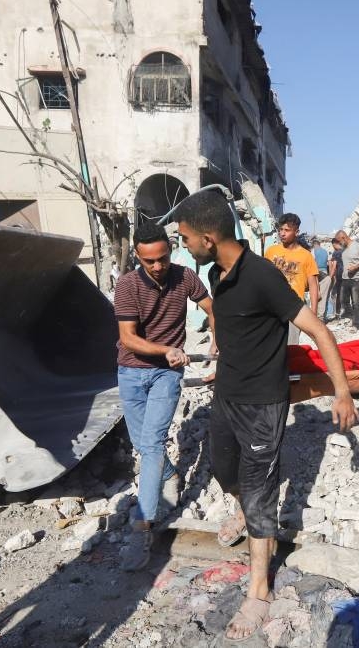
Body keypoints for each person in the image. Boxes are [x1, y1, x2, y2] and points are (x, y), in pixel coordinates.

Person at [173, 190, 359, 642]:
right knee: (223, 470)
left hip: (263, 405)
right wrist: (222, 356)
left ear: (210, 236)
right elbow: (231, 323)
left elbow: (317, 329)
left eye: (186, 238)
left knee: (259, 493)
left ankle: (259, 591)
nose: (184, 246)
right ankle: (248, 513)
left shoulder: (263, 277)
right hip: (227, 396)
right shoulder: (218, 273)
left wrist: (341, 393)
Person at [114, 224, 214, 571]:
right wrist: (166, 349)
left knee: (153, 444)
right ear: (138, 258)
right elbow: (128, 338)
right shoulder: (127, 285)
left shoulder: (185, 276)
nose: (158, 266)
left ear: (171, 252)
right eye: (150, 261)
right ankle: (170, 476)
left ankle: (141, 530)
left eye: (163, 258)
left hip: (166, 375)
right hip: (130, 372)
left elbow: (211, 307)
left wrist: (218, 337)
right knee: (143, 445)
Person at [265, 213, 320, 344]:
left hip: (294, 309)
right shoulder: (271, 251)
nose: (282, 233)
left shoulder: (306, 256)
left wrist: (314, 313)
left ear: (297, 232)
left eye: (287, 230)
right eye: (281, 230)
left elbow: (313, 285)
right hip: (271, 307)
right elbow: (263, 278)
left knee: (291, 346)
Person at [335, 230, 359, 328]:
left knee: (356, 302)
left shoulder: (357, 246)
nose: (339, 244)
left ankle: (356, 323)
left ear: (343, 238)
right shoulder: (344, 249)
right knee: (343, 300)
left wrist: (355, 268)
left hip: (356, 279)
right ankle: (351, 317)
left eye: (339, 241)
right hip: (345, 279)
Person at [312, 241, 332, 320]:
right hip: (325, 273)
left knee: (316, 295)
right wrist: (330, 276)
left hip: (315, 274)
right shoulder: (325, 251)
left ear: (314, 245)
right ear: (319, 244)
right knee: (324, 296)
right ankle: (323, 316)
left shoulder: (313, 251)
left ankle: (317, 317)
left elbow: (312, 264)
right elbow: (330, 264)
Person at [328, 238, 344, 321]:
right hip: (346, 276)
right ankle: (345, 312)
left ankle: (337, 314)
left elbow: (334, 266)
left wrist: (330, 277)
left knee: (336, 295)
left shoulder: (336, 253)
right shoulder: (345, 251)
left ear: (334, 244)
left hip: (339, 276)